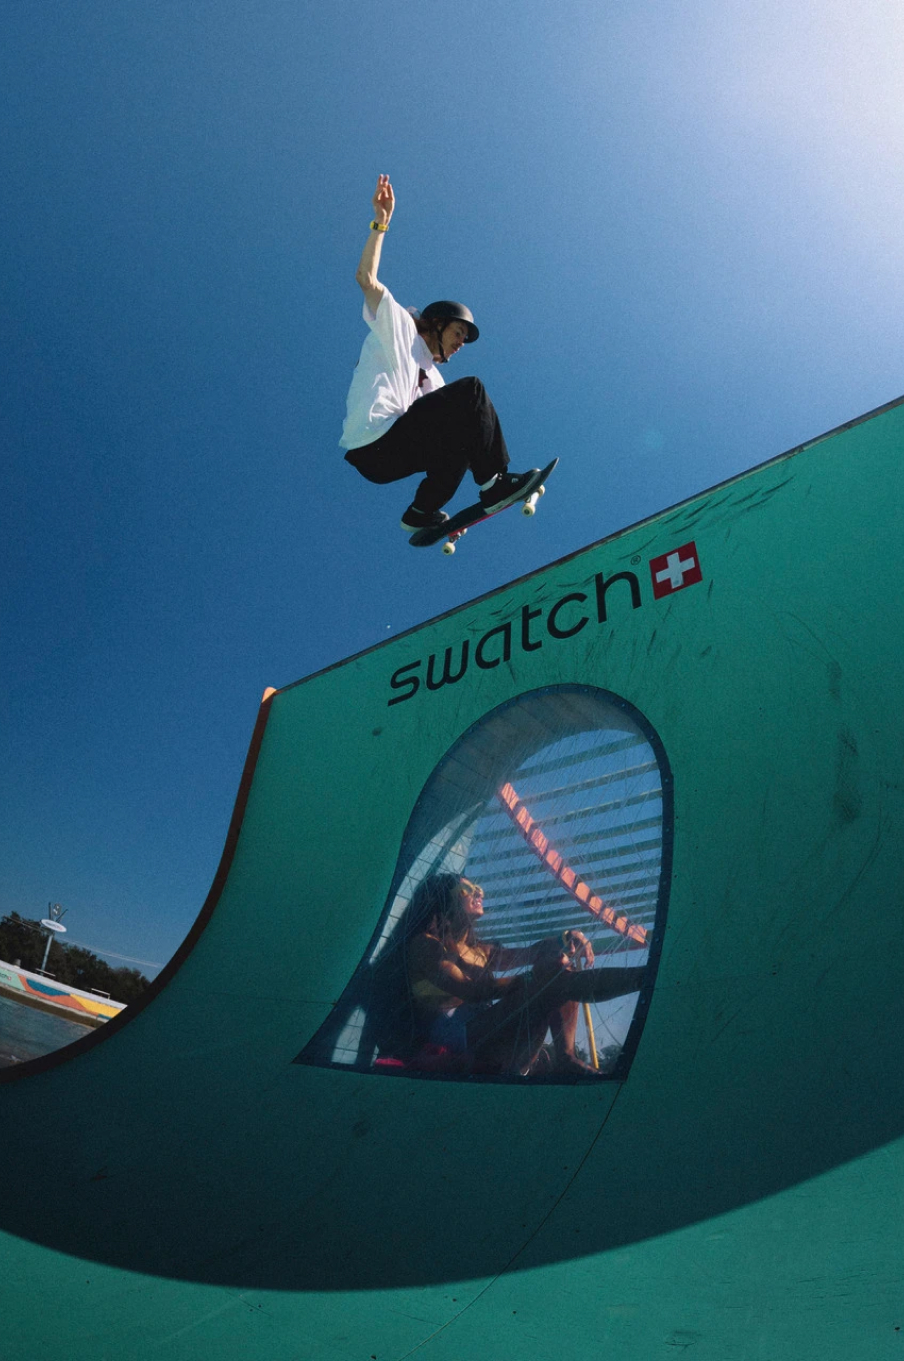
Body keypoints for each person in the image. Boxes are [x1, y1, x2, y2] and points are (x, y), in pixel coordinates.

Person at [341, 175, 542, 532]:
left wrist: (463, 516)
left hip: (389, 457)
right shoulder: (399, 326)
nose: (460, 343)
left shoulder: (433, 379)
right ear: (436, 324)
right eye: (458, 332)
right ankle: (495, 484)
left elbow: (468, 434)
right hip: (374, 440)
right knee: (471, 391)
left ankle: (422, 513)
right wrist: (380, 223)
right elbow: (365, 279)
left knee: (462, 440)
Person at [399, 874, 646, 1079]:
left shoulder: (480, 950)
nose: (478, 893)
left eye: (478, 887)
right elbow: (473, 991)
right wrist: (531, 978)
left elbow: (531, 952)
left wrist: (565, 938)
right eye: (467, 889)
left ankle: (567, 1057)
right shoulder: (426, 945)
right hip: (454, 1038)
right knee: (550, 978)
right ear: (444, 898)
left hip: (488, 1033)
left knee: (556, 969)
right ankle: (643, 979)